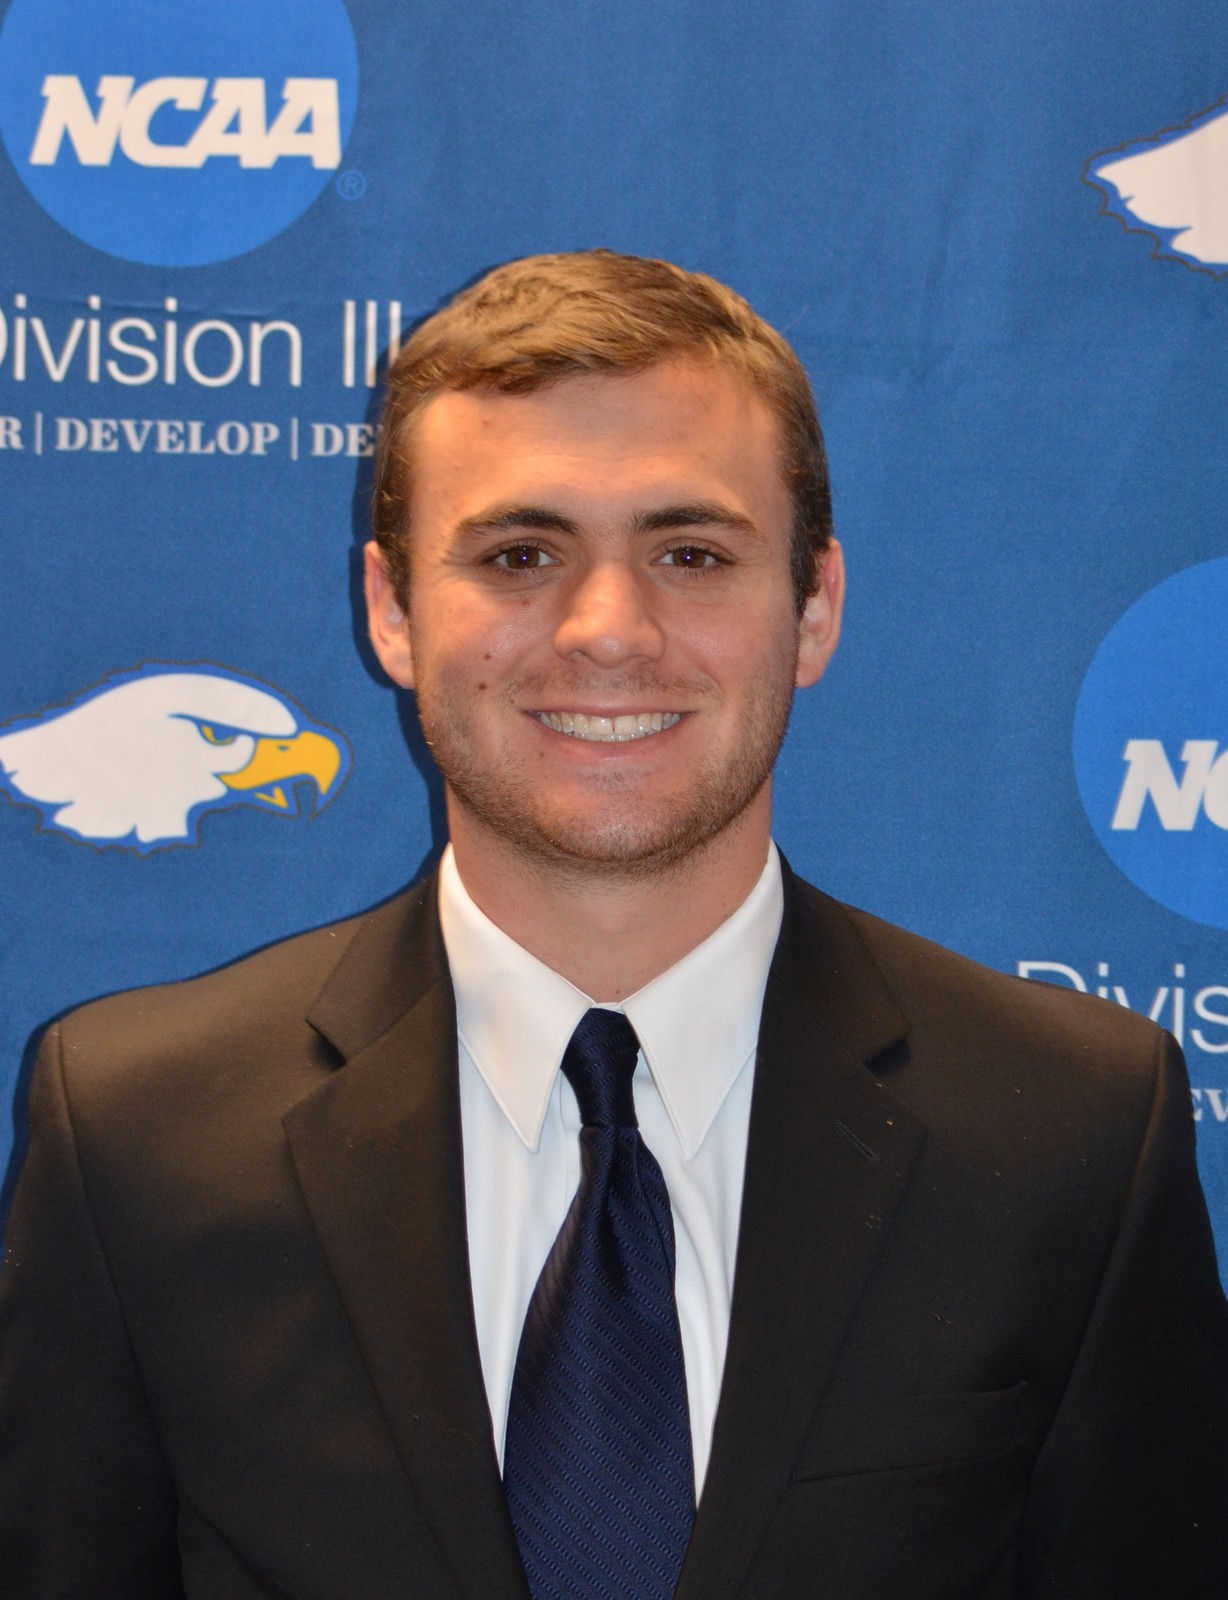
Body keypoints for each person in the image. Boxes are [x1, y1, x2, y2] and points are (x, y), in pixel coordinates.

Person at [1, 250, 1226, 1600]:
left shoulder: (1071, 1133)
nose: (606, 631)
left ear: (815, 606)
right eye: (520, 555)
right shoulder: (135, 1135)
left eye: (690, 554)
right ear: (392, 611)